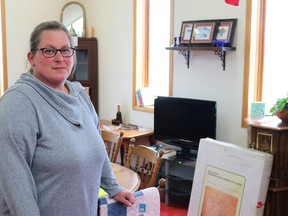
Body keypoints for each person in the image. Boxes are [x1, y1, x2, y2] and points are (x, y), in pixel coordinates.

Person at [0, 21, 135, 216]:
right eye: (49, 51)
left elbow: (97, 149)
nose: (59, 58)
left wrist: (113, 187)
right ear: (32, 58)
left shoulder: (79, 95)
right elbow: (15, 185)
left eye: (65, 50)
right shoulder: (18, 103)